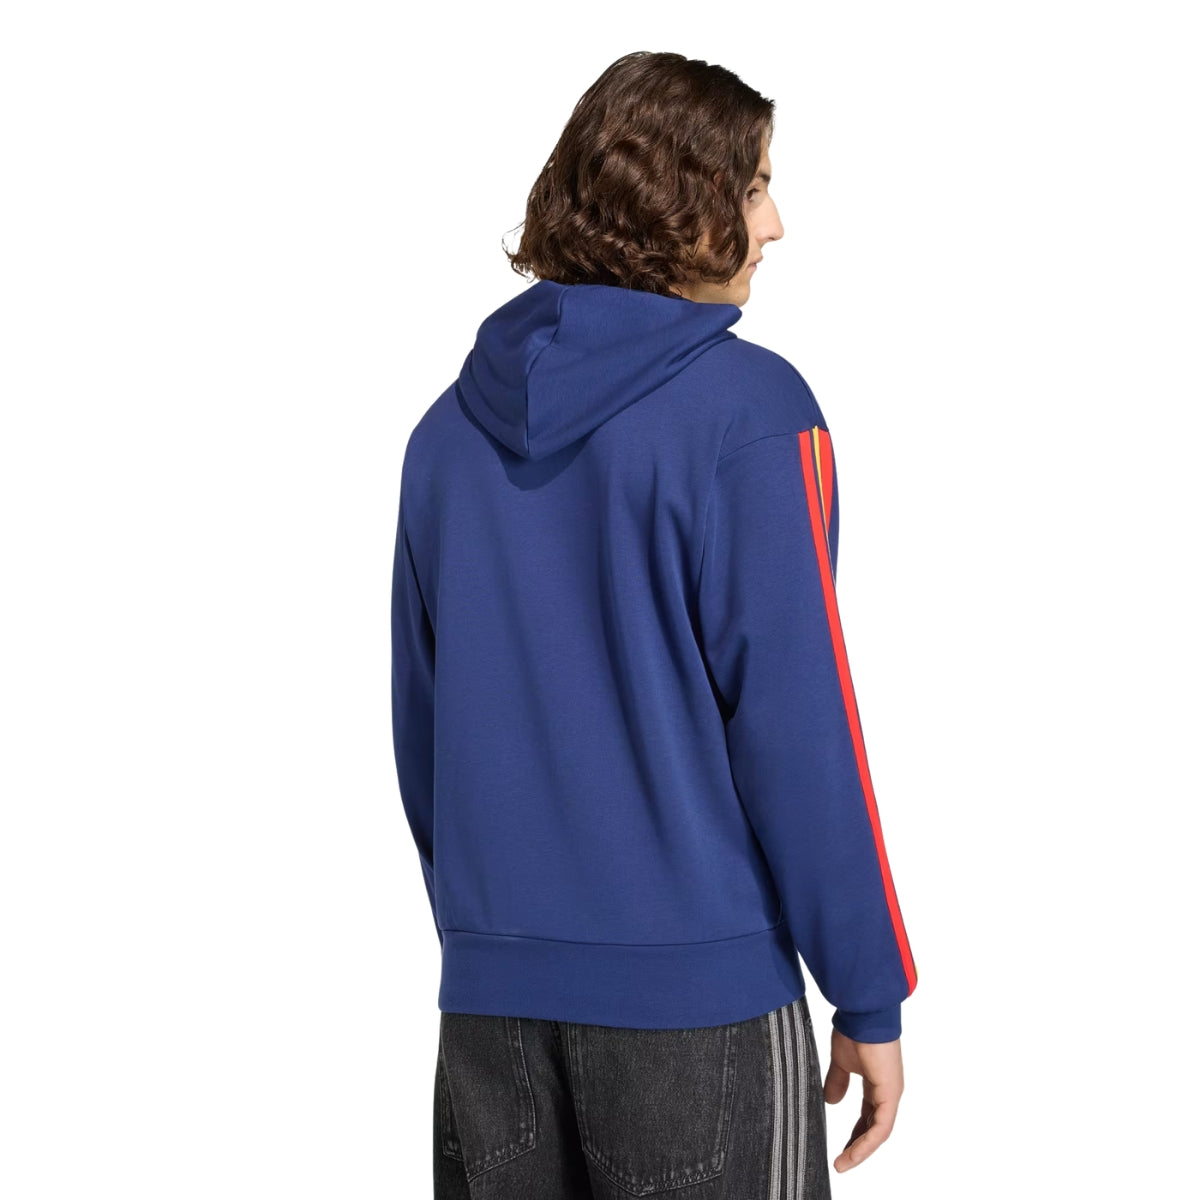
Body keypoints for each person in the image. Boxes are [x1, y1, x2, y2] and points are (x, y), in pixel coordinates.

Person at [391, 50, 918, 1198]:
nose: (774, 225)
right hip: (701, 1014)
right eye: (754, 186)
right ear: (683, 199)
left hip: (490, 1017)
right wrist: (868, 990)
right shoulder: (752, 415)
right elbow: (799, 728)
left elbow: (425, 741)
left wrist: (502, 945)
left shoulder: (443, 439)